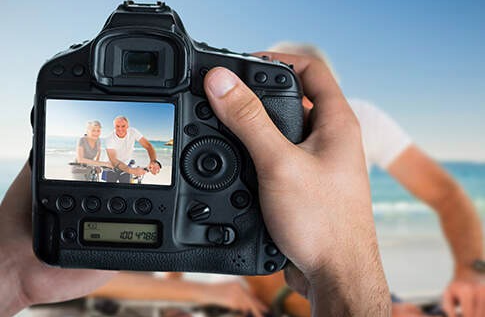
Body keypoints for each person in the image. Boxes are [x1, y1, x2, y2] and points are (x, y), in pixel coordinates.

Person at [0, 53, 392, 317]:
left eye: (116, 123)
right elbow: (104, 159)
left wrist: (15, 277)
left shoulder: (129, 131)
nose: (115, 126)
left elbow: (144, 145)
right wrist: (346, 272)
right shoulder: (97, 140)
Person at [268, 42, 485, 317]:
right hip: (293, 294)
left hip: (355, 286)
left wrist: (471, 271)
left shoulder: (353, 121)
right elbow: (258, 275)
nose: (300, 109)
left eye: (308, 94)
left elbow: (445, 194)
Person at [104, 116, 161, 183]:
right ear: (114, 127)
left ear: (127, 126)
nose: (120, 129)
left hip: (126, 164)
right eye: (117, 126)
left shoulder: (133, 132)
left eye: (123, 126)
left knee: (126, 188)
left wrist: (153, 162)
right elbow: (114, 161)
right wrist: (133, 171)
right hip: (111, 166)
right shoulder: (109, 138)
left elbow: (148, 146)